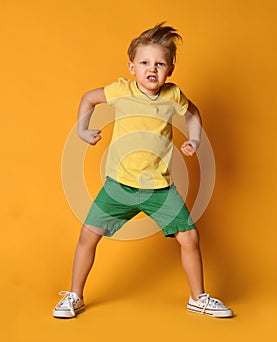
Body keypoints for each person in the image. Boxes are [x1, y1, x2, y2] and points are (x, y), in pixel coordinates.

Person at [53, 23, 232, 319]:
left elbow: (193, 113)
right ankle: (74, 295)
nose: (152, 69)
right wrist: (82, 131)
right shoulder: (121, 90)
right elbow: (89, 97)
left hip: (159, 189)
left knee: (189, 237)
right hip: (119, 186)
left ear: (170, 69)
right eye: (145, 63)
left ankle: (198, 298)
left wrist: (196, 139)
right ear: (132, 66)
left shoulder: (172, 95)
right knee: (88, 235)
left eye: (160, 64)